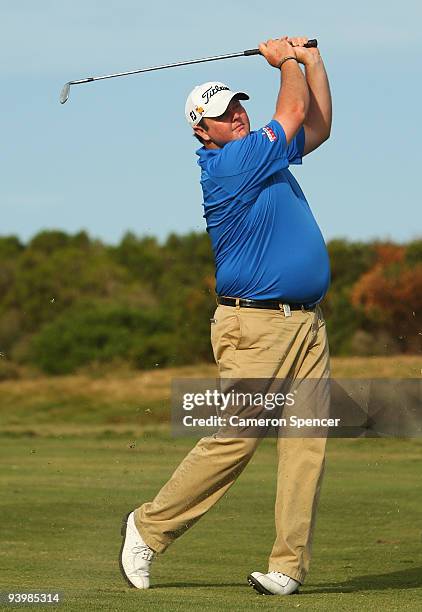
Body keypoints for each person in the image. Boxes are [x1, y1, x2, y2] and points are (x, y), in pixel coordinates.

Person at [120, 35, 333, 596]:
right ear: (202, 130)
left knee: (307, 443)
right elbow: (290, 111)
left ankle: (287, 568)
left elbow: (318, 126)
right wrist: (284, 60)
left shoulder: (263, 152)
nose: (236, 115)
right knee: (238, 436)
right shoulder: (230, 163)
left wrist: (312, 61)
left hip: (306, 323)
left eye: (238, 106)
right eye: (221, 114)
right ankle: (147, 527)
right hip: (256, 325)